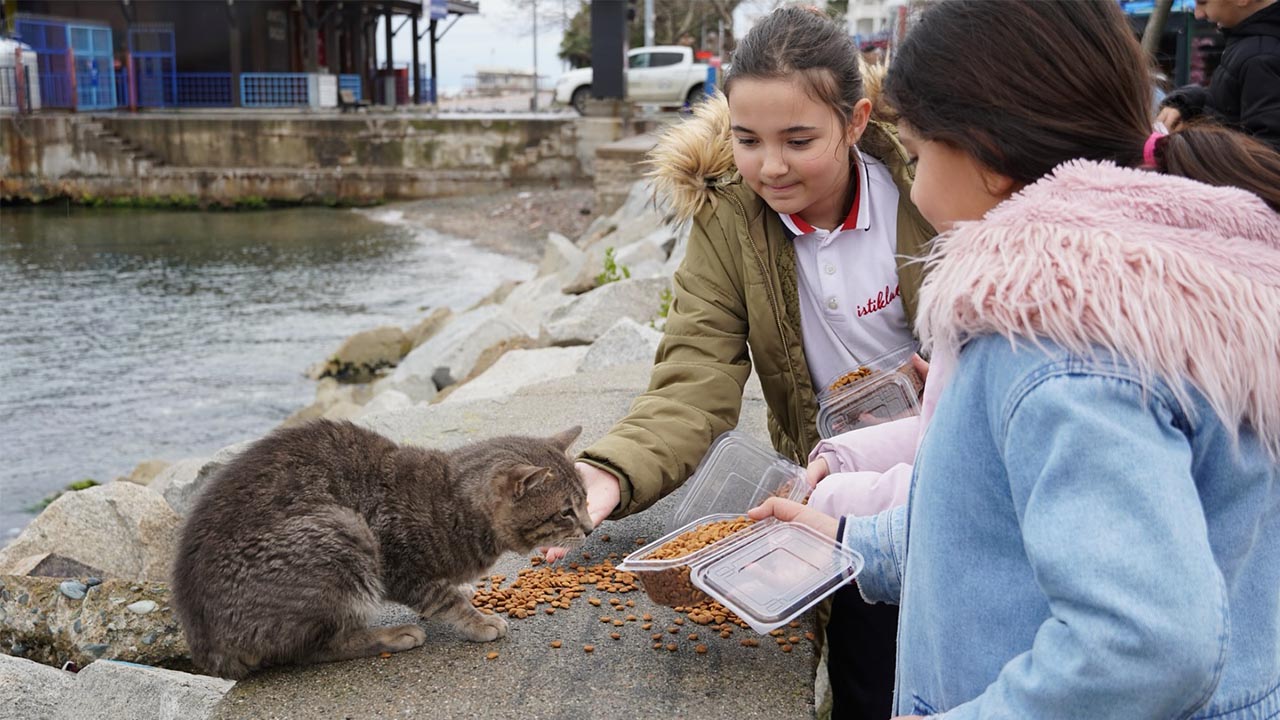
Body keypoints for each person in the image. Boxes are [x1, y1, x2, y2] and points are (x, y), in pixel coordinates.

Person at [751, 1, 1280, 718]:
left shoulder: (1060, 342)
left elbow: (1146, 643)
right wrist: (854, 541)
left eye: (914, 154)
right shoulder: (1164, 288)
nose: (915, 184)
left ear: (988, 157)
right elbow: (1001, 520)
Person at [556, 6, 935, 718]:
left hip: (944, 471)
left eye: (799, 140)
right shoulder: (728, 221)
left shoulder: (925, 186)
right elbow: (694, 376)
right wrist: (609, 471)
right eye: (747, 139)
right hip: (832, 497)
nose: (770, 166)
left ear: (855, 122)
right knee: (867, 679)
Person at [1157, 0, 1280, 151]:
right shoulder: (1250, 45)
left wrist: (1191, 142)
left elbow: (1268, 154)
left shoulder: (1261, 57)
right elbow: (1230, 99)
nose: (1198, 14)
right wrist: (1187, 103)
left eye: (1203, 2)